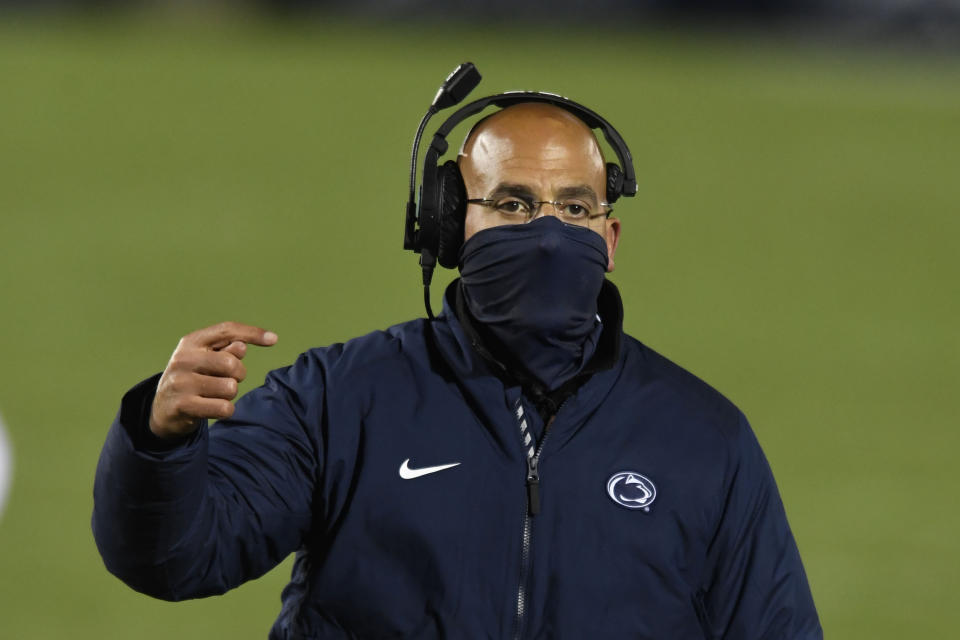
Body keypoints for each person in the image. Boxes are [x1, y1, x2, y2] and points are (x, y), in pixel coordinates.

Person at [93, 92, 822, 639]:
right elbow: (175, 560)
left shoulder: (704, 440)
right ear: (447, 225)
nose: (545, 235)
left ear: (611, 238)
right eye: (512, 202)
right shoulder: (341, 400)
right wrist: (162, 444)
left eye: (574, 209)